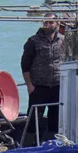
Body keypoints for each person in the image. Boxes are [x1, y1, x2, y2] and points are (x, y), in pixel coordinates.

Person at [21, 13, 65, 143]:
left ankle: (52, 143)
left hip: (57, 86)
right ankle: (28, 144)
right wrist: (29, 85)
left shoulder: (63, 40)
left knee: (55, 118)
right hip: (38, 86)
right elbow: (25, 64)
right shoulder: (33, 41)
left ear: (57, 24)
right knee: (33, 119)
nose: (47, 25)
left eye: (50, 22)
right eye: (45, 22)